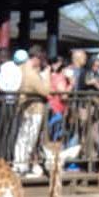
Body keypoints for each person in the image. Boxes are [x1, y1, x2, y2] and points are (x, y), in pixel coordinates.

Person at [13, 45, 51, 177]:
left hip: (25, 108)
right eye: (41, 60)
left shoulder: (21, 68)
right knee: (29, 139)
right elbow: (46, 91)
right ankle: (22, 167)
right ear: (36, 58)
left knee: (22, 138)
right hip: (35, 110)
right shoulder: (31, 74)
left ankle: (19, 165)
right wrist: (47, 75)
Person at [47, 56, 71, 142]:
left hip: (58, 106)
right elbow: (63, 93)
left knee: (56, 128)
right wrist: (72, 84)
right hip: (55, 106)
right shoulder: (59, 78)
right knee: (57, 122)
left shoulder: (53, 76)